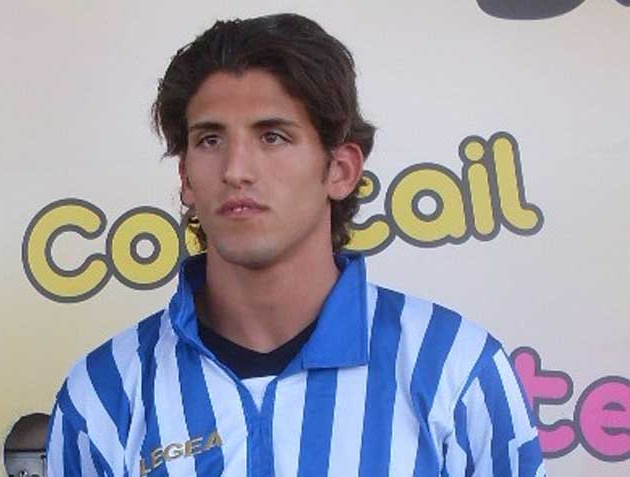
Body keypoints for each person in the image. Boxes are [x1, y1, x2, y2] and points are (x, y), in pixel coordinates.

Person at [46, 13, 546, 477]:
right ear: (186, 178)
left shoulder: (453, 369)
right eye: (210, 140)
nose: (236, 170)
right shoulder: (106, 392)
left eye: (273, 137)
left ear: (341, 170)